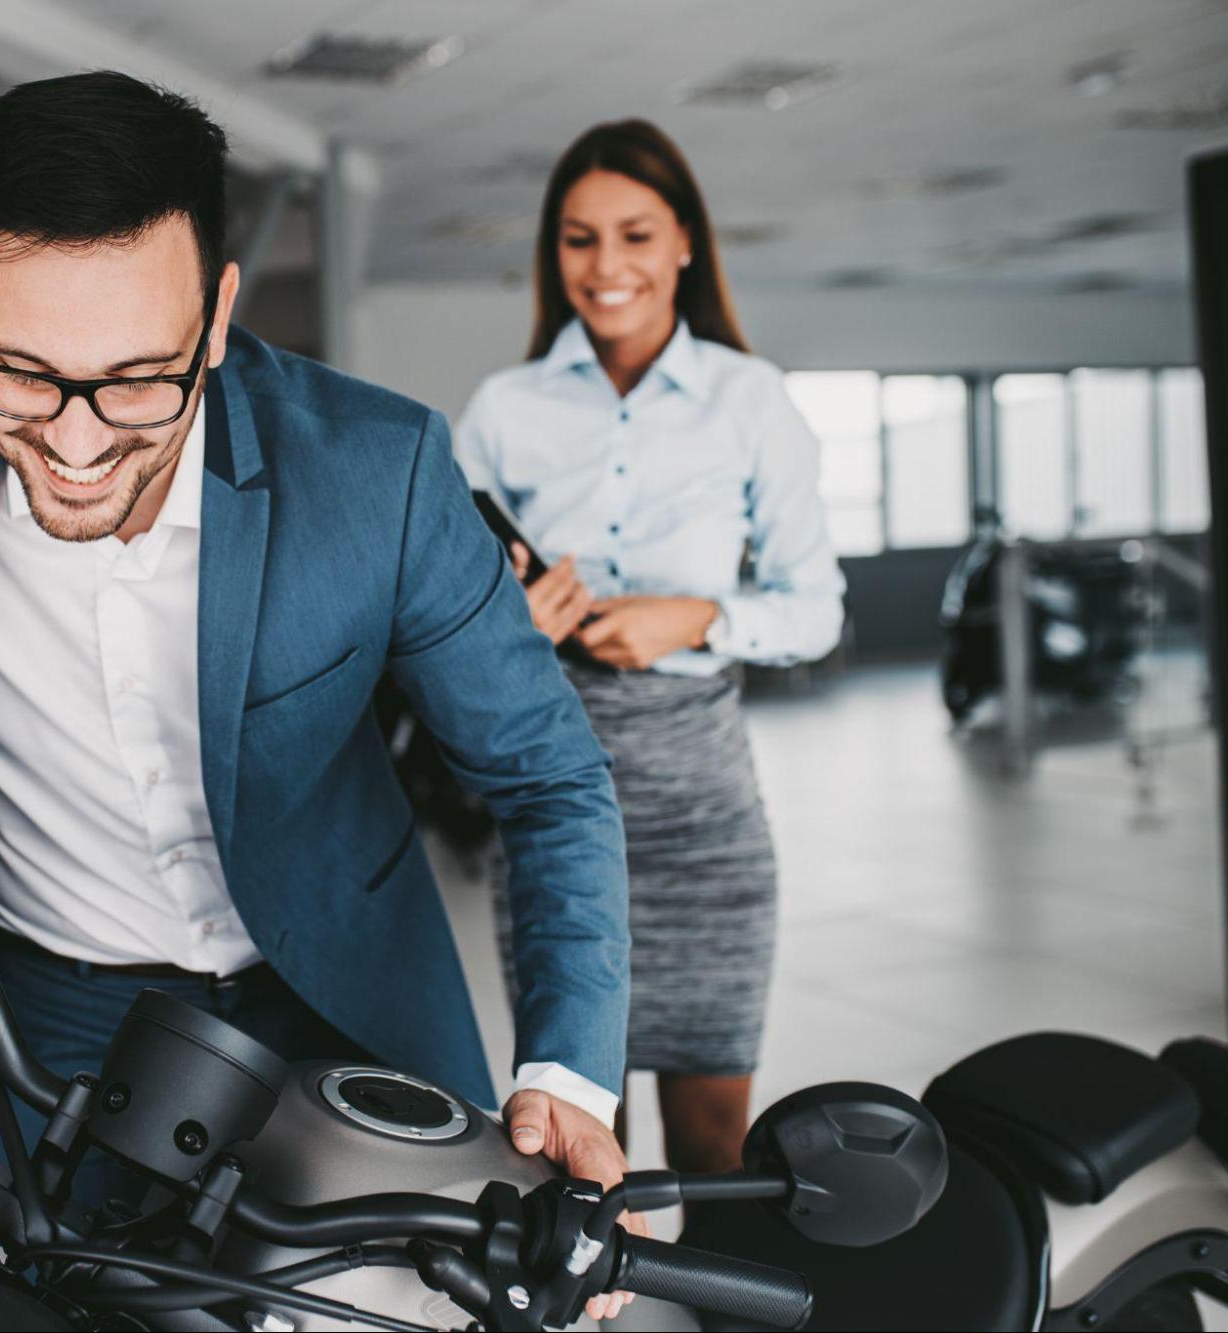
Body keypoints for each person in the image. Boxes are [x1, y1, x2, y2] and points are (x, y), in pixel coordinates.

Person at [0, 72, 644, 1316]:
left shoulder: (378, 470)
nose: (75, 448)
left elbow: (549, 778)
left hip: (336, 1006)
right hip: (51, 1014)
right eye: (19, 376)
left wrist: (569, 1073)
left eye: (139, 381)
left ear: (218, 313)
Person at [455, 119, 845, 1175]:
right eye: (579, 240)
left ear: (683, 241)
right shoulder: (504, 410)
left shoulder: (748, 398)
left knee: (718, 1147)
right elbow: (440, 622)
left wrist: (700, 616)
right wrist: (508, 631)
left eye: (634, 234)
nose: (606, 266)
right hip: (554, 801)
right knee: (586, 1140)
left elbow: (816, 608)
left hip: (705, 818)